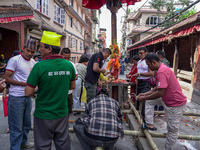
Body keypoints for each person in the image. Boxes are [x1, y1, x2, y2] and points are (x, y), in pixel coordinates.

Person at [25, 31, 76, 150]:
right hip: (62, 113)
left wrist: (42, 88)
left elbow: (28, 92)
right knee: (63, 144)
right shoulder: (68, 65)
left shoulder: (39, 66)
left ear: (49, 49)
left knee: (43, 145)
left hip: (44, 114)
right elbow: (72, 86)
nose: (39, 50)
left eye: (41, 47)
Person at [137, 52, 187, 150]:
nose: (148, 67)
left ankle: (167, 149)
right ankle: (150, 124)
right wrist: (145, 94)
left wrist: (144, 97)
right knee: (150, 101)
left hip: (175, 104)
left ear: (154, 62)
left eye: (148, 64)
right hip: (167, 98)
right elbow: (157, 88)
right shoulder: (161, 68)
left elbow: (160, 92)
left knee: (172, 131)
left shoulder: (161, 71)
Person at [4, 39, 37, 150]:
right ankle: (15, 148)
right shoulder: (15, 60)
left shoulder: (33, 62)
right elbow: (7, 78)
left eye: (32, 52)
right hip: (16, 98)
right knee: (16, 127)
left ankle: (23, 143)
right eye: (28, 50)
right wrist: (24, 84)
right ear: (23, 48)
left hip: (28, 97)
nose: (29, 53)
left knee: (26, 125)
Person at [133, 47, 154, 122]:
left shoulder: (148, 62)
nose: (140, 55)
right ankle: (139, 116)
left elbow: (151, 73)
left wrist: (139, 74)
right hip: (139, 82)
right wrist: (137, 78)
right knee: (138, 99)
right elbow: (138, 71)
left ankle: (145, 119)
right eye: (138, 53)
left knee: (144, 100)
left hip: (146, 82)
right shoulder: (139, 62)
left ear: (146, 53)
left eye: (141, 53)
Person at [61, 48, 78, 115]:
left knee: (68, 111)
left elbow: (76, 76)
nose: (67, 60)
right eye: (65, 58)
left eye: (68, 58)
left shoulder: (71, 64)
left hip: (69, 93)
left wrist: (70, 79)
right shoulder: (58, 64)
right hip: (60, 93)